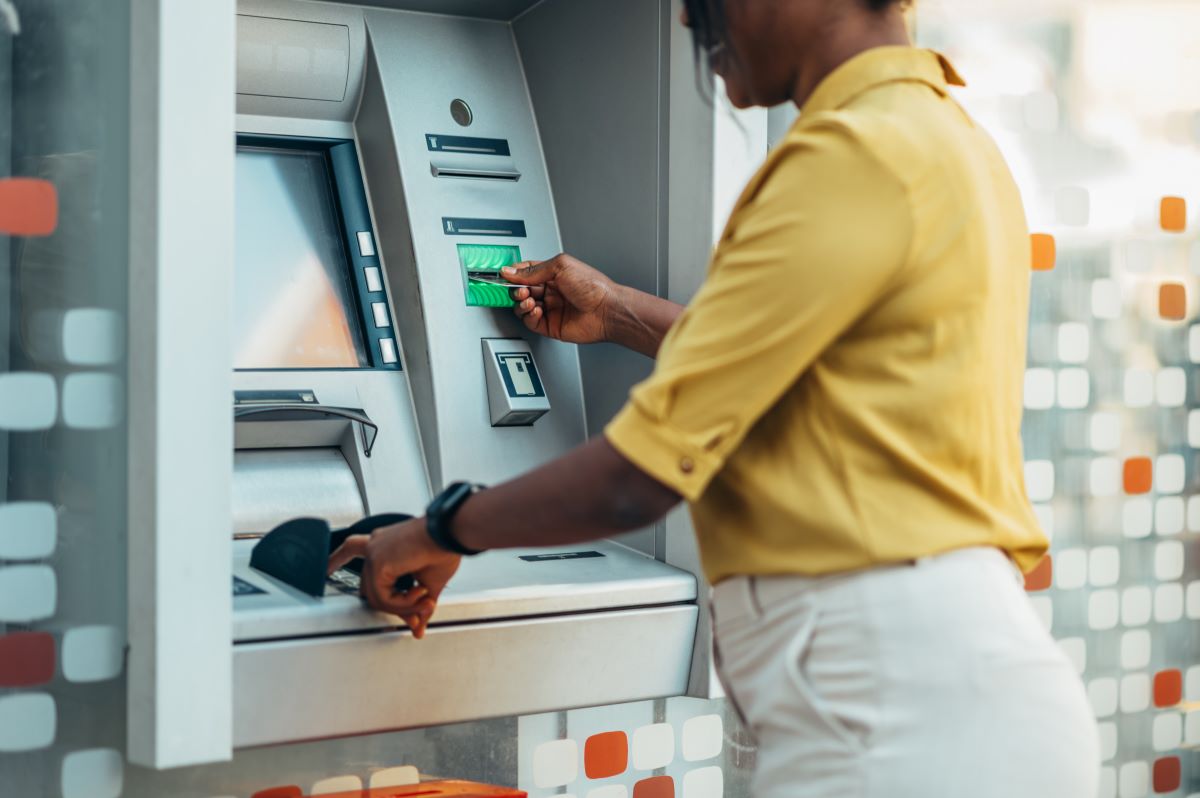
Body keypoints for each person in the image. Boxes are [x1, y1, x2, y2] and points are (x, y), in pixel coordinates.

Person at [329, 0, 1100, 794]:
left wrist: (440, 528)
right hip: (952, 699)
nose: (689, 21)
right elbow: (813, 372)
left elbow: (637, 480)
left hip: (896, 721)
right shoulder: (938, 136)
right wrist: (619, 311)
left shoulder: (852, 153)